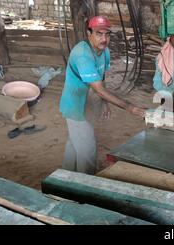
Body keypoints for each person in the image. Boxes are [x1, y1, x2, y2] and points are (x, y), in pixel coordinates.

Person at [59, 16, 145, 175]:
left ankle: (65, 176)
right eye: (99, 34)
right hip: (75, 104)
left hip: (89, 101)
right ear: (88, 33)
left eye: (107, 34)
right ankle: (85, 185)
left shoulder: (104, 51)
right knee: (87, 150)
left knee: (75, 141)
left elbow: (102, 77)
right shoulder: (83, 55)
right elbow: (98, 89)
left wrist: (104, 102)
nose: (104, 39)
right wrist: (129, 107)